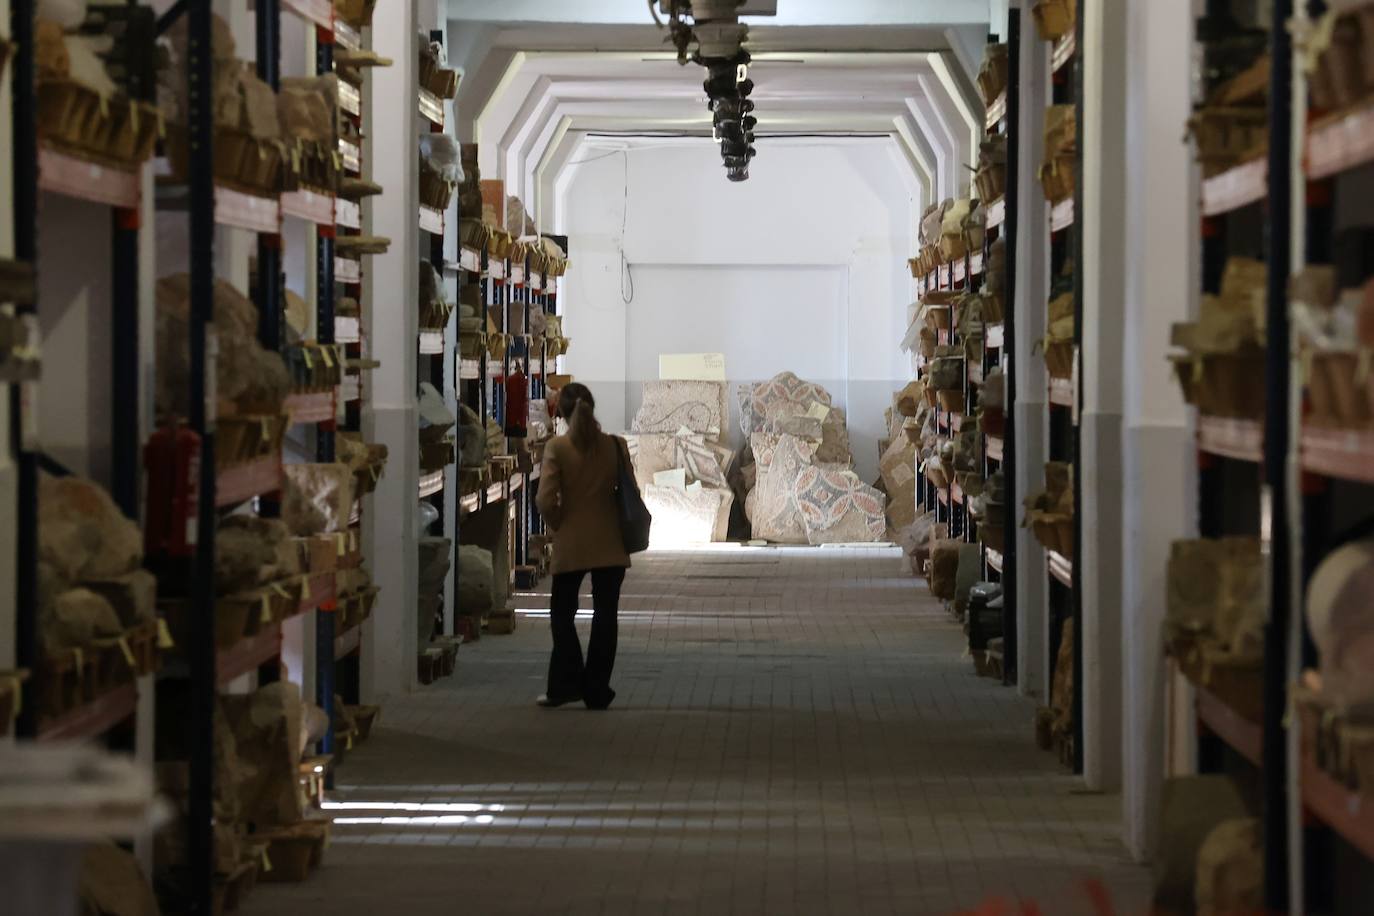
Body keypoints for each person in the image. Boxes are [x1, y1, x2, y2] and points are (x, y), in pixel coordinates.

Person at [534, 383, 631, 709]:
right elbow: (630, 492)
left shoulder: (557, 448)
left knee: (562, 615)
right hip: (610, 543)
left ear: (559, 412)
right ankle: (597, 690)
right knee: (606, 618)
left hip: (571, 542)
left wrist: (560, 522)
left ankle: (566, 683)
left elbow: (545, 499)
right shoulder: (614, 446)